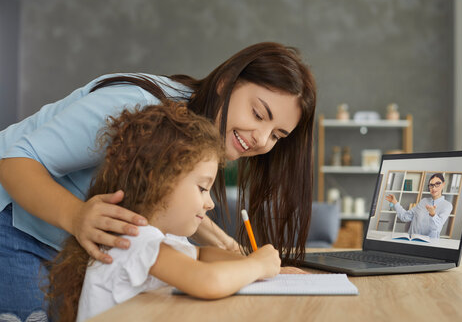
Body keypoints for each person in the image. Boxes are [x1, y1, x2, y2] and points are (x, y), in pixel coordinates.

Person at [0, 42, 316, 320]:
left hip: (66, 235)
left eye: (277, 135)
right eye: (259, 114)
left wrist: (239, 256)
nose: (261, 139)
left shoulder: (194, 137)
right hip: (12, 213)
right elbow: (15, 163)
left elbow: (170, 202)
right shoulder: (138, 108)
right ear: (224, 84)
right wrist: (76, 216)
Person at [47, 102, 282, 322]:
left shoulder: (160, 238)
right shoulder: (134, 239)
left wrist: (249, 261)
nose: (209, 203)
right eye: (202, 188)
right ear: (159, 181)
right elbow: (207, 281)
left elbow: (200, 256)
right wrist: (257, 266)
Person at [385, 173, 453, 239]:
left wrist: (433, 214)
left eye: (437, 184)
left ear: (443, 184)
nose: (434, 188)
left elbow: (438, 226)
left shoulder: (447, 206)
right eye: (431, 185)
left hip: (429, 245)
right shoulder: (423, 201)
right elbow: (405, 217)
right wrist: (395, 203)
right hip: (412, 241)